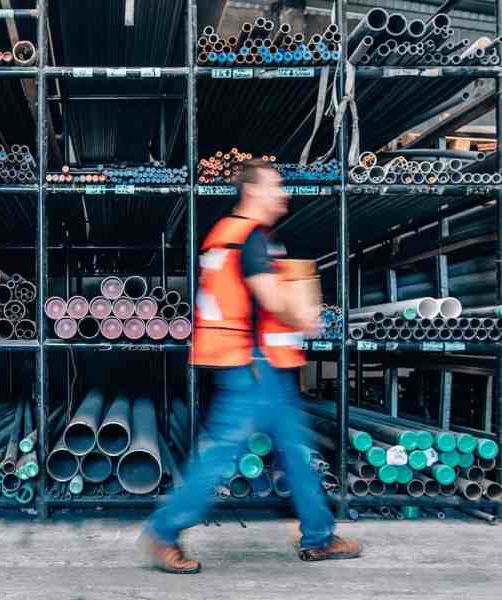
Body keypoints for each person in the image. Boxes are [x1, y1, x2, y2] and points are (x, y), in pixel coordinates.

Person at [139, 160, 361, 573]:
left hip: (256, 362)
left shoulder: (230, 235)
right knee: (224, 452)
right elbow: (272, 301)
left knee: (295, 450)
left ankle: (319, 535)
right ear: (253, 191)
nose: (284, 194)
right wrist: (304, 318)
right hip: (253, 364)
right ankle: (164, 530)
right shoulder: (250, 240)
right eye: (277, 186)